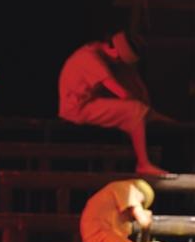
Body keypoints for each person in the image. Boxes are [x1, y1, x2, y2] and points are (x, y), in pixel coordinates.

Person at [58, 30, 174, 176]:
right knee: (134, 109)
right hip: (77, 109)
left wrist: (147, 108)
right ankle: (143, 164)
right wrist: (139, 107)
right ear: (113, 50)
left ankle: (157, 119)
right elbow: (121, 93)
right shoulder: (90, 59)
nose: (118, 62)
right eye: (119, 59)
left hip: (89, 101)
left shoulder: (100, 51)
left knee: (138, 108)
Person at [77, 179, 173, 242]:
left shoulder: (120, 209)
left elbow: (123, 239)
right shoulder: (127, 188)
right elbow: (144, 221)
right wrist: (144, 215)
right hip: (100, 239)